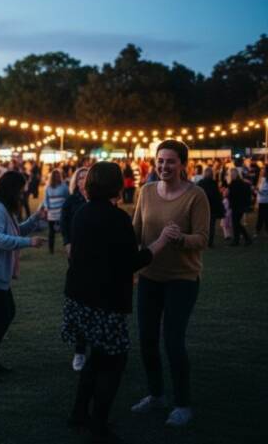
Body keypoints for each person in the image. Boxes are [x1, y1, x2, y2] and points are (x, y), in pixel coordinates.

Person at [63, 162, 172, 443]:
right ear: (117, 185)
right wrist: (160, 241)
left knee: (97, 357)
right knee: (113, 362)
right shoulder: (116, 218)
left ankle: (78, 412)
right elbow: (131, 262)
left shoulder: (81, 213)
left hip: (80, 297)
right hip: (105, 301)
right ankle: (98, 423)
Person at [131, 140, 209, 427]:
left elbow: (202, 238)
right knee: (147, 340)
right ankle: (155, 395)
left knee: (173, 342)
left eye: (171, 161)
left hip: (182, 279)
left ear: (183, 164)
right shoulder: (146, 191)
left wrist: (181, 239)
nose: (164, 166)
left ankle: (182, 403)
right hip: (149, 277)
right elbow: (136, 232)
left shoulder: (196, 195)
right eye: (160, 161)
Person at [0, 171, 46, 379]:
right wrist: (29, 242)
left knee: (2, 316)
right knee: (0, 318)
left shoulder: (2, 208)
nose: (22, 194)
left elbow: (13, 232)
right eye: (20, 190)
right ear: (12, 189)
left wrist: (34, 219)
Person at [60, 166, 89, 370]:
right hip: (77, 255)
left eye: (86, 177)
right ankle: (79, 351)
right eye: (79, 178)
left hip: (98, 257)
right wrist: (67, 243)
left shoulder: (101, 201)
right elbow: (64, 223)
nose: (82, 181)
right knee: (80, 302)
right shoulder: (72, 201)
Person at [196, 167, 225, 247]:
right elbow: (217, 196)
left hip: (203, 208)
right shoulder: (213, 183)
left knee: (202, 226)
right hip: (212, 208)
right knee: (211, 226)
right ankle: (210, 242)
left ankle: (203, 241)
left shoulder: (200, 183)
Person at [42, 169, 69, 254]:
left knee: (64, 231)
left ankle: (67, 247)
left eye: (58, 175)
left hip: (61, 212)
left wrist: (65, 209)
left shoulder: (64, 186)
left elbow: (67, 198)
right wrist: (46, 208)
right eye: (56, 176)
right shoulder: (48, 187)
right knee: (51, 232)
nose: (57, 177)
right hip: (52, 212)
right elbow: (45, 199)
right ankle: (51, 249)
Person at [226, 168, 253, 246]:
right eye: (231, 174)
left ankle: (243, 239)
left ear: (236, 174)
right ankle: (240, 239)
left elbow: (232, 195)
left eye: (232, 174)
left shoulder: (234, 183)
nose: (231, 175)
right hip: (239, 205)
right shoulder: (240, 183)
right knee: (236, 223)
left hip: (237, 206)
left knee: (236, 223)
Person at [256, 165, 268, 236]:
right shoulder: (262, 179)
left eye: (263, 169)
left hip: (266, 201)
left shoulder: (265, 180)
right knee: (260, 216)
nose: (262, 171)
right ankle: (258, 230)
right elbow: (259, 189)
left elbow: (264, 192)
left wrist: (258, 191)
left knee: (265, 216)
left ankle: (264, 230)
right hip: (261, 201)